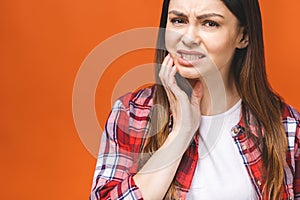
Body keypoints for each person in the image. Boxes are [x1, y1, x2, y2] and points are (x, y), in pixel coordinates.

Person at [90, 0, 300, 199]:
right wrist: (181, 133)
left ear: (243, 36)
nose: (188, 38)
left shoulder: (287, 126)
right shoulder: (131, 114)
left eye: (210, 23)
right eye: (178, 21)